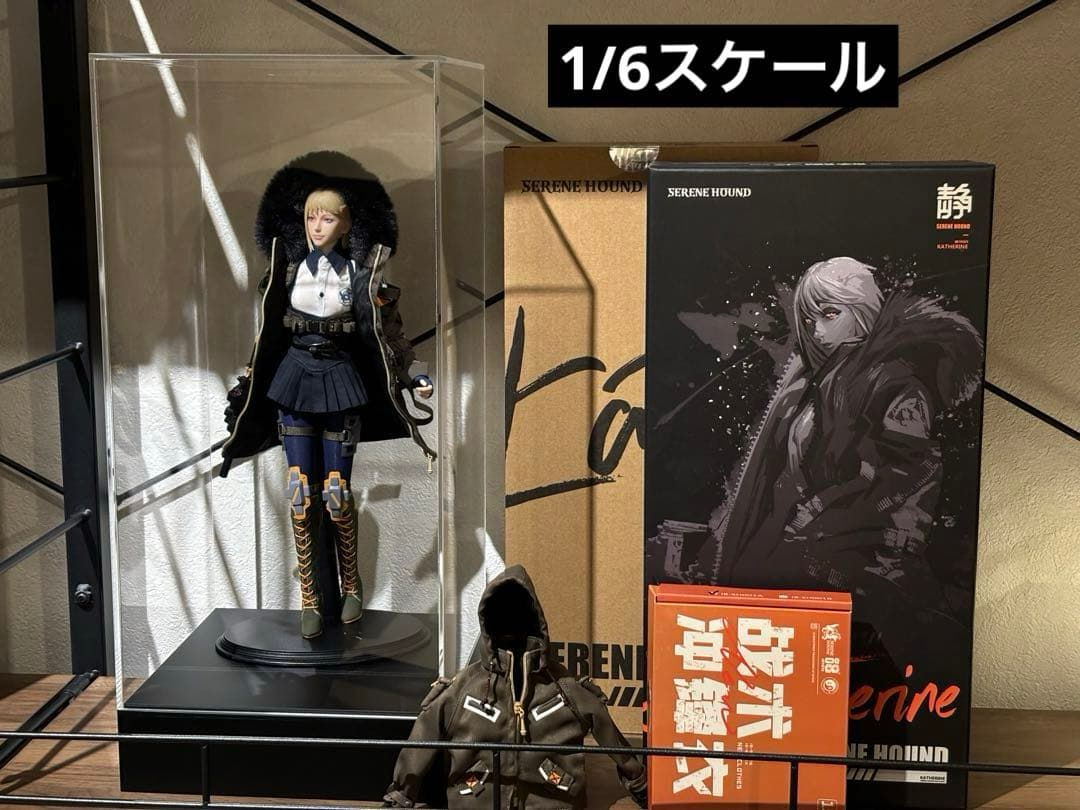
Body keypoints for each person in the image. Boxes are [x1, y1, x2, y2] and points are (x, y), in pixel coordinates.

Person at [221, 152, 435, 640]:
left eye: (328, 218)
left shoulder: (362, 277)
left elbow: (391, 334)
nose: (317, 227)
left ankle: (351, 583)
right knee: (300, 494)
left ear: (347, 224)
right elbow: (266, 337)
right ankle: (311, 598)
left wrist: (414, 375)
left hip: (341, 381)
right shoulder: (285, 273)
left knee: (337, 493)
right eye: (311, 218)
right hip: (293, 380)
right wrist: (247, 381)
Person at [712, 257, 982, 622]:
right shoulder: (810, 387)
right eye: (809, 320)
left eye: (830, 314)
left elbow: (906, 475)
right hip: (798, 554)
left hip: (861, 564)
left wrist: (815, 518)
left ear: (861, 310)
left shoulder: (896, 384)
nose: (817, 331)